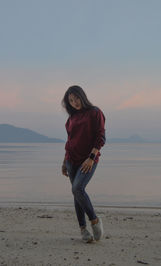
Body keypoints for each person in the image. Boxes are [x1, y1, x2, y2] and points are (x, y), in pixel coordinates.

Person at [61, 85, 106, 243]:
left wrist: (91, 157)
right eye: (71, 101)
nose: (75, 102)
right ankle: (83, 229)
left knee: (77, 188)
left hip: (88, 159)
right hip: (71, 160)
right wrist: (64, 161)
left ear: (82, 96)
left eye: (76, 98)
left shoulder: (95, 112)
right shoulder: (71, 119)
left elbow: (101, 137)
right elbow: (70, 141)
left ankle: (94, 221)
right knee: (76, 193)